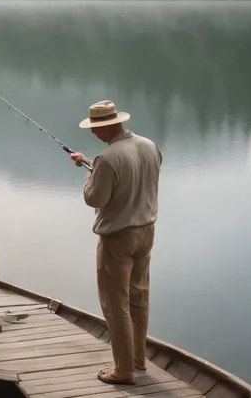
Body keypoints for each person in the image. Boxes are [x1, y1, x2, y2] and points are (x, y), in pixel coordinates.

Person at [71, 100, 162, 386]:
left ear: (109, 125)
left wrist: (91, 176)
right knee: (139, 298)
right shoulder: (149, 146)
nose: (93, 134)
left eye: (95, 128)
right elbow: (132, 182)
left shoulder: (107, 159)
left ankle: (123, 371)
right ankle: (137, 358)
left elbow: (95, 198)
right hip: (147, 232)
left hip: (118, 238)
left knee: (115, 304)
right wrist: (92, 167)